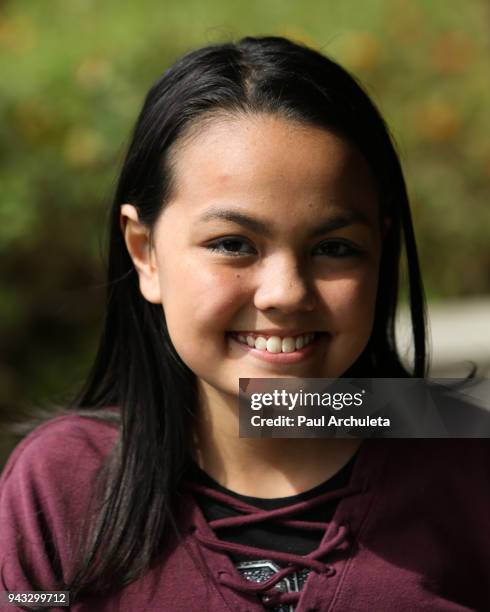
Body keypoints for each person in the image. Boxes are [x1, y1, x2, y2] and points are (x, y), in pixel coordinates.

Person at [0, 36, 488, 612]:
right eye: (233, 244)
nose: (285, 293)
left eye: (333, 248)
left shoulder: (469, 465)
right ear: (145, 252)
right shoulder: (62, 488)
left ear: (381, 250)